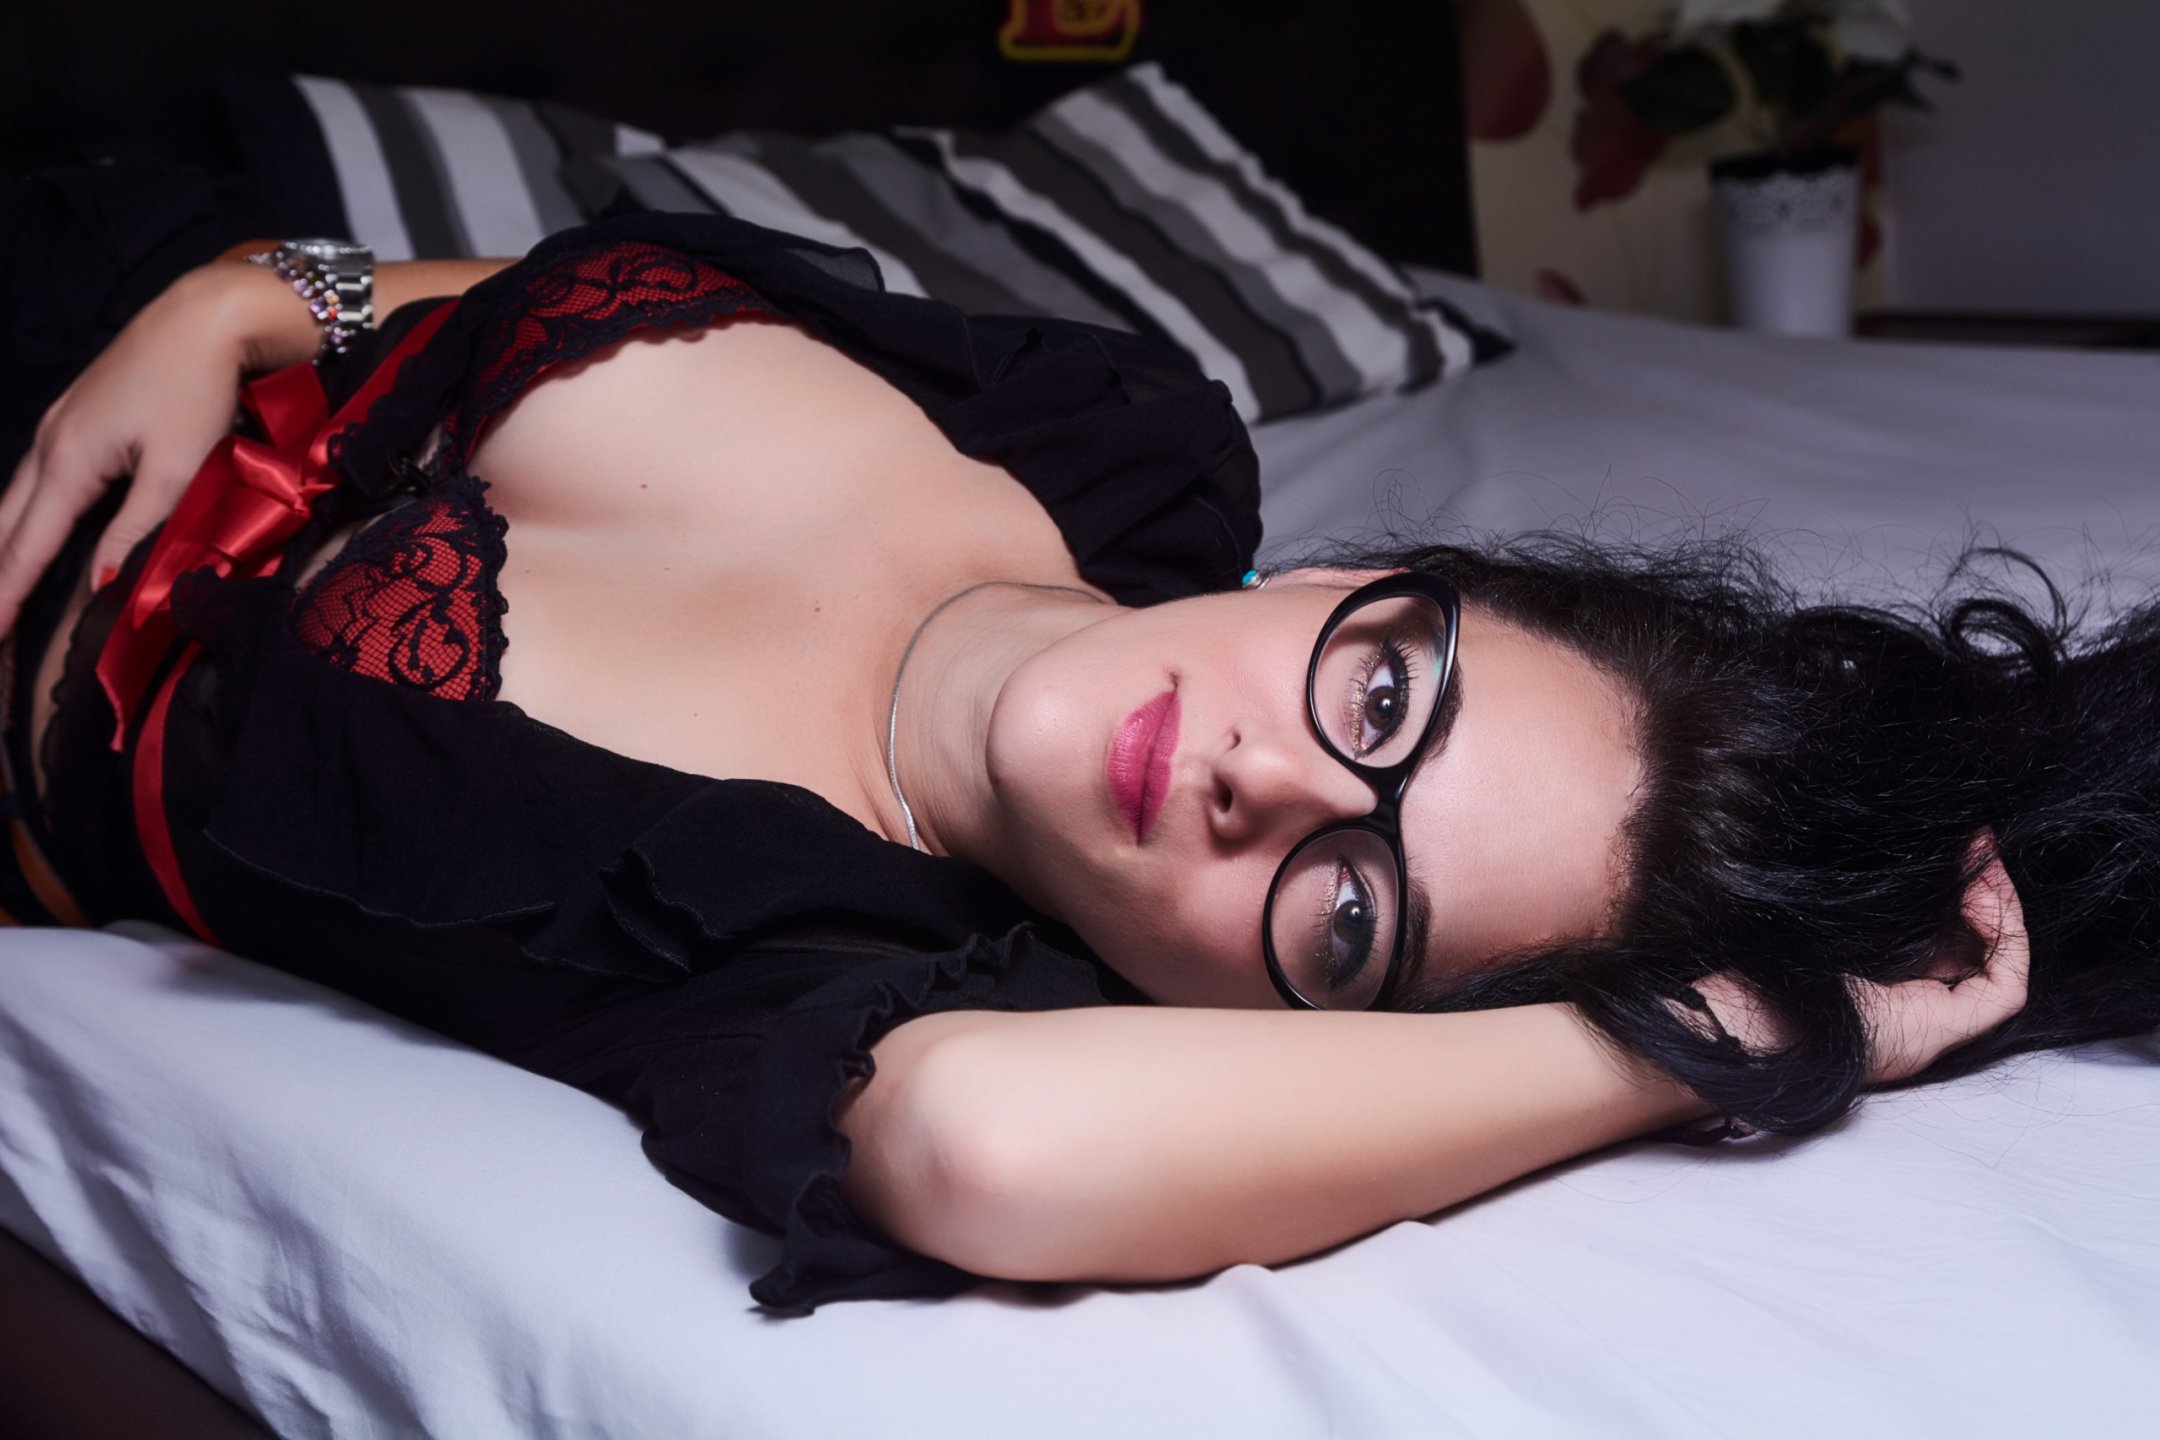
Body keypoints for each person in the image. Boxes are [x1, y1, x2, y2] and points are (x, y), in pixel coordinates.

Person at [3, 203, 2125, 1317]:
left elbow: (990, 1155)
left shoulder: (863, 951)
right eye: (1384, 702)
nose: (1273, 789)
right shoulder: (1102, 433)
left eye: (1348, 913)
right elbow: (459, 304)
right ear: (1355, 576)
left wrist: (1714, 1046)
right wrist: (243, 293)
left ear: (1278, 1026)